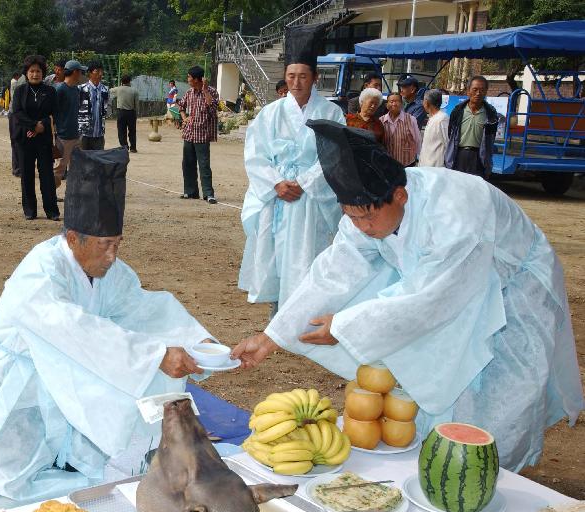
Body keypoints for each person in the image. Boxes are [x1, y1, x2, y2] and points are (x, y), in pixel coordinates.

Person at [232, 119, 583, 472]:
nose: (362, 228)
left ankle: (499, 475)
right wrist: (271, 337)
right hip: (446, 288)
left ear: (400, 195)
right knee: (444, 388)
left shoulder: (455, 211)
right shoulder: (365, 210)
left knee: (503, 397)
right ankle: (440, 465)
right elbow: (335, 270)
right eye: (350, 217)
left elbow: (429, 299)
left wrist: (344, 326)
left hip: (513, 289)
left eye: (366, 218)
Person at [0, 147, 215, 501]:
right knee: (3, 478)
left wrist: (197, 343)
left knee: (74, 453)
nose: (112, 256)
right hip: (13, 384)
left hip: (62, 376)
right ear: (72, 239)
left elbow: (144, 308)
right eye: (103, 245)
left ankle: (64, 448)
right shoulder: (41, 272)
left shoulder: (109, 271)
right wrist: (155, 353)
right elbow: (73, 327)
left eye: (117, 244)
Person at [239, 21, 345, 318]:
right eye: (291, 76)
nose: (296, 82)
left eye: (303, 76)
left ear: (314, 77)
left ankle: (306, 316)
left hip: (310, 198)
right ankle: (277, 315)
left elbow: (334, 155)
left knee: (307, 255)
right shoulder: (270, 113)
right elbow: (255, 155)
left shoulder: (330, 113)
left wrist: (304, 182)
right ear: (285, 78)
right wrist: (276, 183)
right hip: (278, 196)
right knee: (276, 255)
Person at [12, 55, 59, 221]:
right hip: (24, 138)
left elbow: (54, 113)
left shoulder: (50, 91)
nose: (35, 74)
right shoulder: (19, 91)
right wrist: (33, 126)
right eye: (31, 71)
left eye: (38, 71)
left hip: (44, 140)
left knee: (46, 175)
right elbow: (17, 113)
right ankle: (30, 210)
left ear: (43, 73)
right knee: (26, 175)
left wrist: (41, 126)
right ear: (26, 73)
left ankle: (52, 210)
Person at [178, 66, 219, 204]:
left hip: (202, 135)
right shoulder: (189, 93)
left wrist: (205, 90)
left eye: (189, 77)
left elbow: (213, 109)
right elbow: (181, 106)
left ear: (197, 79)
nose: (188, 79)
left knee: (204, 165)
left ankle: (208, 194)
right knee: (188, 164)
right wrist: (184, 118)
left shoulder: (212, 91)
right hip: (189, 134)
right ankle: (190, 192)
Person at [445, 76, 498, 179]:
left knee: (476, 190)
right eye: (475, 90)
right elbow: (450, 134)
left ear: (486, 92)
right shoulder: (458, 111)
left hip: (479, 158)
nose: (478, 93)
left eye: (482, 90)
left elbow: (491, 139)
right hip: (459, 156)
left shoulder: (490, 114)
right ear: (468, 91)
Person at [53, 60, 85, 189]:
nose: (82, 74)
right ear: (75, 72)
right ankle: (50, 194)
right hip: (63, 135)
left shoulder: (76, 90)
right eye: (81, 71)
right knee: (59, 168)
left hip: (75, 134)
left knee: (77, 166)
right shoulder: (60, 89)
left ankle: (74, 194)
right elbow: (52, 112)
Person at [380, 93, 420, 166]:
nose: (394, 104)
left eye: (397, 101)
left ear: (402, 104)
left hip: (407, 163)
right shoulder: (381, 121)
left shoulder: (411, 119)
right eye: (391, 101)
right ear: (386, 105)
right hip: (387, 163)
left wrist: (417, 157)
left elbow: (417, 140)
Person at [78, 61, 110, 150]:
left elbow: (107, 109)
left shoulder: (105, 90)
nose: (100, 74)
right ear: (90, 73)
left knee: (98, 160)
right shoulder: (81, 89)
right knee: (83, 159)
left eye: (101, 71)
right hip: (84, 133)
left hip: (99, 133)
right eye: (97, 71)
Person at [419, 89, 449, 167]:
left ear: (427, 102)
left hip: (436, 167)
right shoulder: (433, 118)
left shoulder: (442, 119)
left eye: (423, 100)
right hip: (426, 165)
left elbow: (447, 143)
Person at [112, 74, 139, 153]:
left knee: (121, 130)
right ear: (130, 81)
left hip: (121, 112)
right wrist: (136, 113)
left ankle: (124, 147)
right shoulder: (134, 91)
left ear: (121, 82)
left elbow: (109, 91)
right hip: (131, 112)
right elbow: (136, 104)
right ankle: (133, 147)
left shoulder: (118, 89)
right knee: (132, 131)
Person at [8, 71, 23, 176]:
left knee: (17, 141)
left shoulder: (17, 80)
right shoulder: (16, 81)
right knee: (17, 141)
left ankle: (18, 168)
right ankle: (18, 168)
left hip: (16, 114)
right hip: (16, 114)